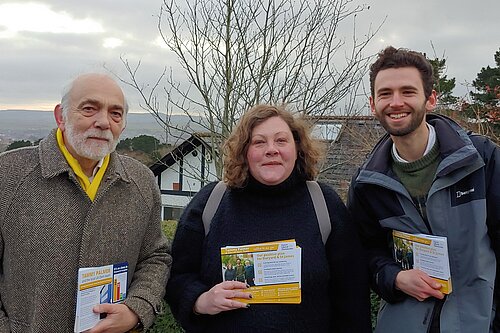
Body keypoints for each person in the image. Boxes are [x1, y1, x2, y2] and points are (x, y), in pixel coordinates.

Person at [165, 104, 371, 332]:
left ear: (297, 148)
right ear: (244, 151)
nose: (271, 149)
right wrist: (200, 300)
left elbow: (352, 298)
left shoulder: (324, 204)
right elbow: (176, 277)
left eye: (281, 141)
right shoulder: (210, 203)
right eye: (259, 142)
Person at [0, 73, 172, 333]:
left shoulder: (141, 181)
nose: (103, 122)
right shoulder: (9, 175)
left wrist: (137, 309)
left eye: (115, 114)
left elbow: (155, 257)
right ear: (61, 116)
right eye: (89, 109)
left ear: (123, 125)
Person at [347, 46, 500, 332]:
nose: (395, 102)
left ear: (430, 99)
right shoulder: (366, 183)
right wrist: (394, 278)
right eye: (385, 94)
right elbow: (364, 254)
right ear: (372, 104)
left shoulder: (482, 160)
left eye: (407, 91)